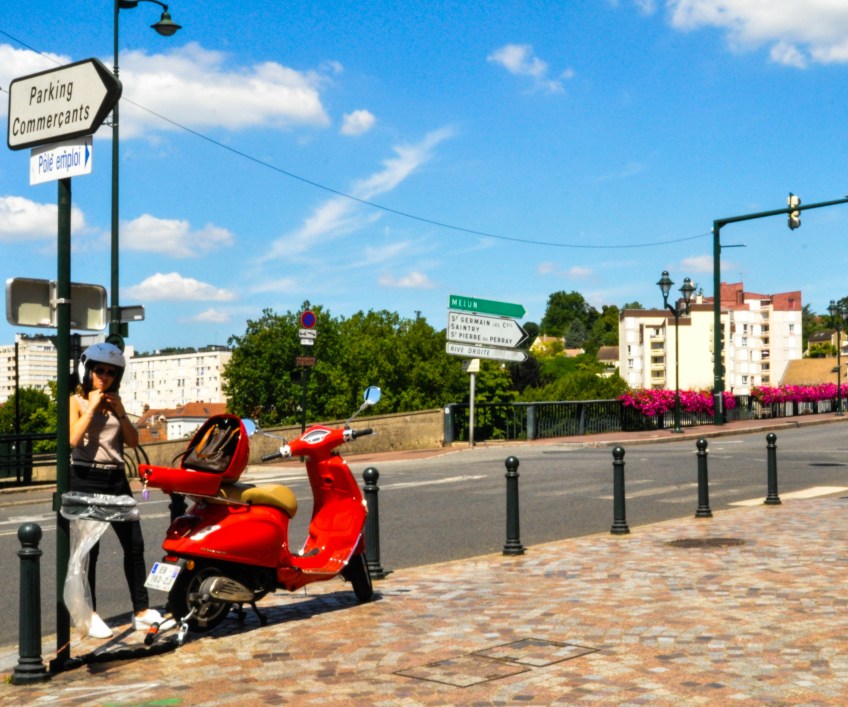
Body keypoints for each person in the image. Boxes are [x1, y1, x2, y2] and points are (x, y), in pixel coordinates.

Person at [69, 342, 162, 639]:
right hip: (86, 478)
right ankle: (89, 614)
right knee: (89, 551)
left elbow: (133, 442)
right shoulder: (75, 401)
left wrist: (120, 413)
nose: (104, 376)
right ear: (88, 370)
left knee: (134, 545)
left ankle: (141, 611)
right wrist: (93, 407)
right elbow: (71, 439)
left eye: (110, 372)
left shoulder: (116, 402)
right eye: (99, 370)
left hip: (116, 478)